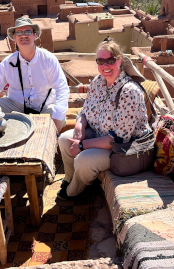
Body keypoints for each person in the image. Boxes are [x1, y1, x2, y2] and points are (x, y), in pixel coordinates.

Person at [57, 39, 151, 199]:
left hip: (124, 149)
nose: (105, 66)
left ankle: (75, 190)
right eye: (100, 61)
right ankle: (70, 178)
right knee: (64, 140)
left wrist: (82, 144)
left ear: (119, 61)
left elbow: (118, 139)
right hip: (99, 135)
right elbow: (85, 111)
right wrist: (79, 127)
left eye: (110, 60)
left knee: (83, 160)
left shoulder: (129, 92)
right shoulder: (98, 82)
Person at [0, 16, 68, 133]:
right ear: (14, 37)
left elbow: (61, 87)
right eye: (19, 32)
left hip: (44, 106)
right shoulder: (8, 62)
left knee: (60, 116)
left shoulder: (48, 59)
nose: (24, 35)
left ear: (35, 35)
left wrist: (58, 114)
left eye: (28, 31)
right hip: (15, 105)